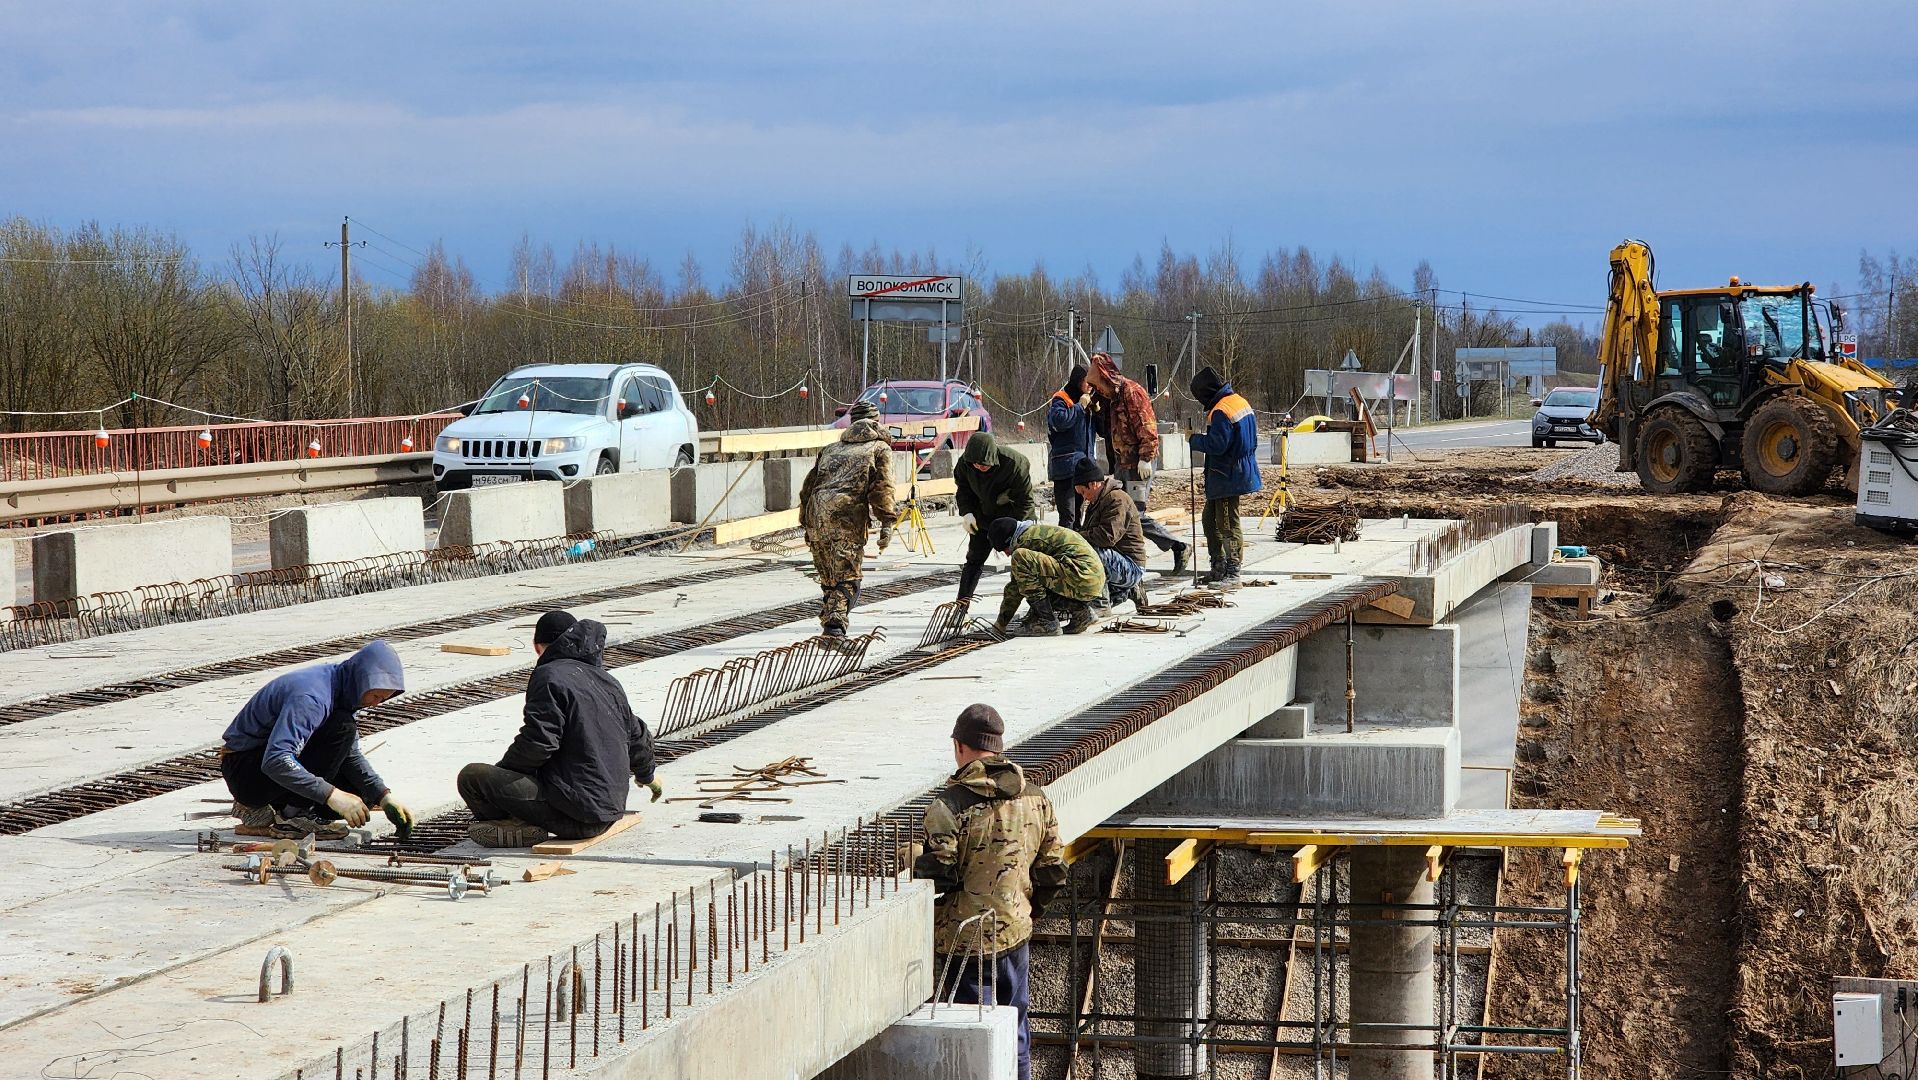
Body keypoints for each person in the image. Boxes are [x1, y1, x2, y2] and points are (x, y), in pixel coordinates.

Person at [912, 704, 1065, 1080]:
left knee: (974, 1041)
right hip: (1015, 934)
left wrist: (913, 855)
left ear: (959, 746)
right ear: (997, 748)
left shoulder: (949, 807)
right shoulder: (1035, 797)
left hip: (965, 944)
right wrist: (1027, 911)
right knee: (1015, 1033)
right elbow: (1054, 871)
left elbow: (939, 876)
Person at [457, 611, 661, 848]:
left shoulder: (549, 675)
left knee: (472, 778)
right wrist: (647, 776)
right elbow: (637, 736)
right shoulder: (606, 680)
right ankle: (522, 822)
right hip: (609, 811)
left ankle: (517, 823)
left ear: (536, 647)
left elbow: (539, 742)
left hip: (572, 815)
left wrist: (504, 779)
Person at [220, 640, 415, 839]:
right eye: (375, 696)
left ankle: (280, 808)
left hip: (268, 770)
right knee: (341, 728)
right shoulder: (312, 698)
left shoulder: (345, 689)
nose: (375, 704)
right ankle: (293, 817)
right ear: (362, 680)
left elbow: (349, 755)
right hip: (246, 771)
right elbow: (276, 760)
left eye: (382, 700)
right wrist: (332, 795)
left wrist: (383, 796)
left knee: (360, 796)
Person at [1085, 352, 1190, 575]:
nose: (1098, 390)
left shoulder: (1132, 393)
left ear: (1107, 378)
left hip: (1139, 464)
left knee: (1135, 515)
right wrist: (1090, 401)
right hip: (1122, 464)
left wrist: (1146, 457)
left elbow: (1147, 427)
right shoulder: (1110, 397)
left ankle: (1177, 546)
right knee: (1121, 511)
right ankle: (1124, 557)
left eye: (1099, 385)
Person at [798, 399, 896, 636]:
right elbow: (882, 488)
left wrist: (806, 521)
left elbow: (808, 488)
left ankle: (830, 626)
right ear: (876, 421)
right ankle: (834, 629)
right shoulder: (879, 449)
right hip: (846, 518)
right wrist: (887, 521)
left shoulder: (831, 448)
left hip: (817, 515)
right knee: (849, 579)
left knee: (830, 579)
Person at [1186, 366, 1263, 589]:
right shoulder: (1238, 401)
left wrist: (1194, 440)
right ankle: (1218, 565)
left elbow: (1217, 445)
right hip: (1231, 472)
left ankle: (1233, 571)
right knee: (1210, 520)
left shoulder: (1221, 410)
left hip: (1228, 474)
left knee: (1227, 522)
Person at [954, 431, 1039, 606]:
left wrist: (1015, 531)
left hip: (1014, 518)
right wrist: (967, 513)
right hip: (983, 517)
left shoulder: (1015, 463)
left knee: (1025, 565)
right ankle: (960, 608)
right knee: (973, 561)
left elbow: (1025, 502)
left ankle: (1038, 610)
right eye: (976, 465)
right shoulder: (965, 464)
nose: (979, 467)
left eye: (984, 465)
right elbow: (963, 490)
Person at [987, 516, 1105, 636]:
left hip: (1080, 576)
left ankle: (1047, 622)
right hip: (1091, 581)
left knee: (1020, 559)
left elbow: (1015, 587)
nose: (1007, 555)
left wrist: (1001, 624)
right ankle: (1082, 614)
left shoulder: (1027, 541)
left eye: (1005, 550)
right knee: (1039, 583)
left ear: (1010, 539)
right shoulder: (1035, 532)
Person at [1070, 458, 1149, 609]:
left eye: (1084, 492)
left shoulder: (1116, 499)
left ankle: (1101, 604)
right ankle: (1125, 592)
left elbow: (1107, 537)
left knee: (1090, 553)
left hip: (1131, 566)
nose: (1084, 497)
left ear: (1094, 484)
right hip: (1117, 561)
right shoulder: (1096, 501)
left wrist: (1076, 537)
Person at [1044, 365, 1096, 528]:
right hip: (1065, 468)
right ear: (1077, 381)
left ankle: (1077, 550)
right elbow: (1060, 422)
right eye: (1086, 382)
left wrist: (1097, 412)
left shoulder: (1087, 401)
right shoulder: (1061, 399)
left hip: (1082, 467)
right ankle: (1064, 550)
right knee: (1068, 516)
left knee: (1079, 515)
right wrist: (1080, 407)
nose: (1089, 386)